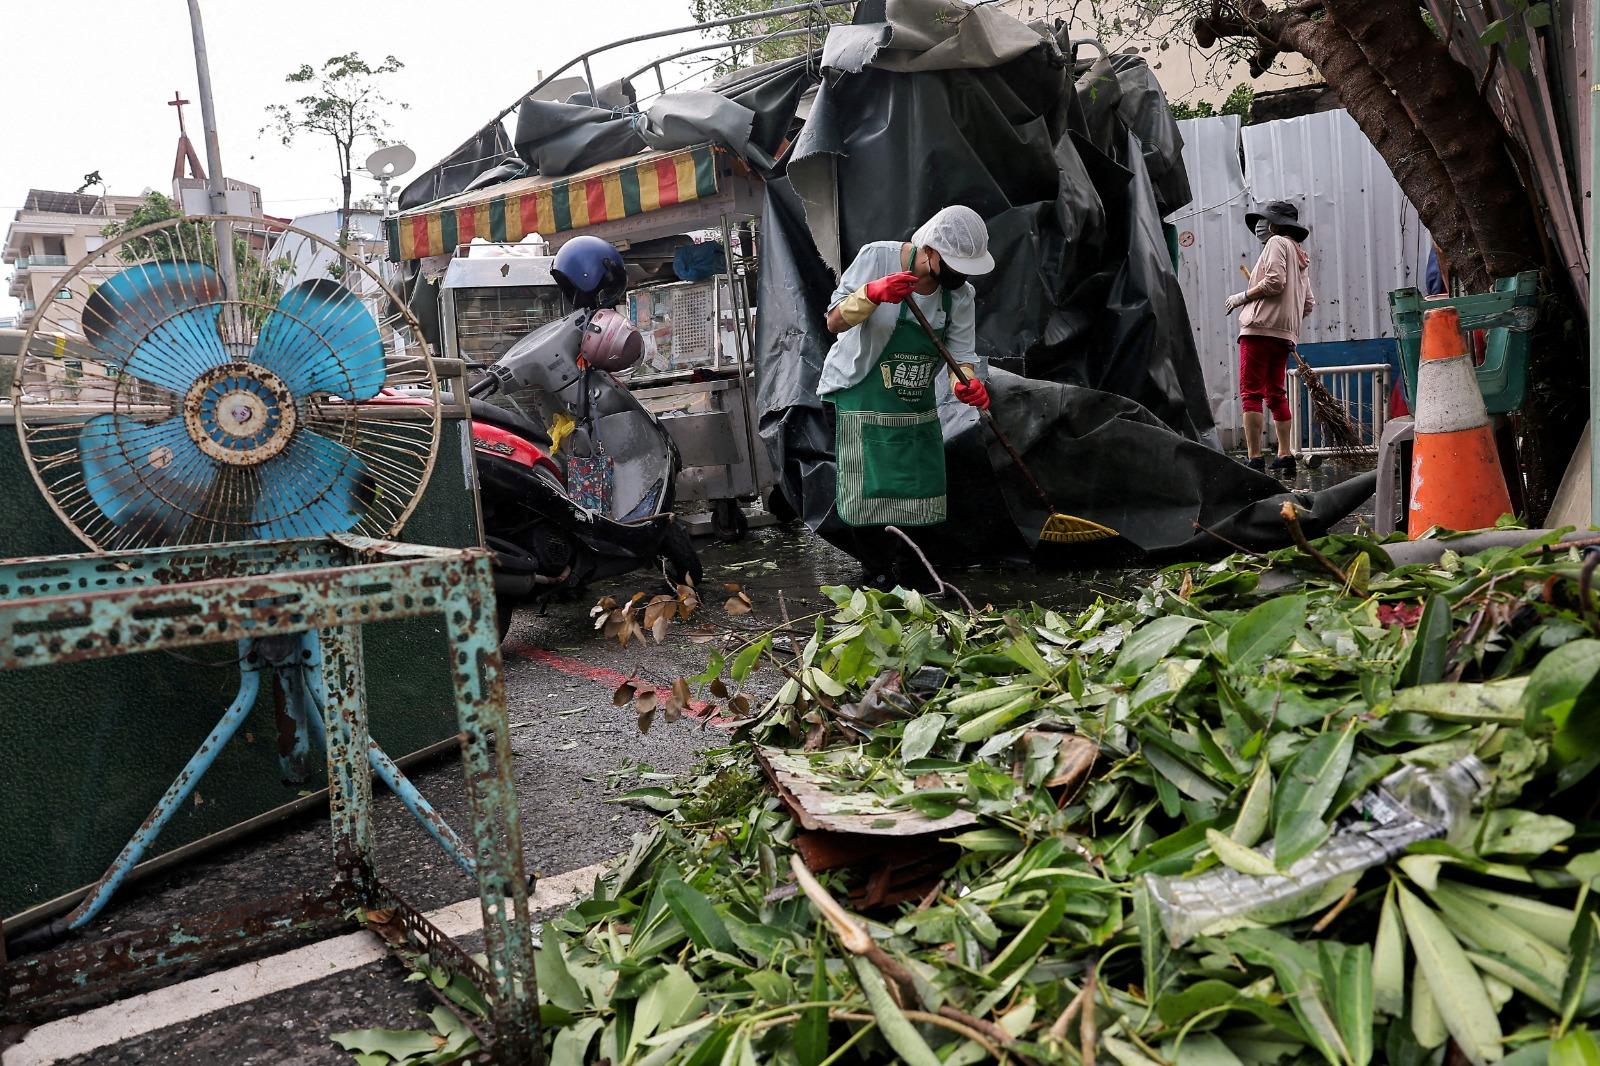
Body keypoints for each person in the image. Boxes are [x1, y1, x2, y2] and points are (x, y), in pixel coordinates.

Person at [820, 205, 995, 587]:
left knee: (920, 488)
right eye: (952, 264)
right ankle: (877, 574)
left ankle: (918, 575)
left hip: (913, 402)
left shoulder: (960, 296)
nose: (959, 275)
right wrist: (873, 294)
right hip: (858, 393)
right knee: (868, 491)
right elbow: (833, 320)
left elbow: (960, 357)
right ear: (929, 250)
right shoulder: (877, 257)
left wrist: (967, 382)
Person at [1226, 200, 1315, 477]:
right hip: (1283, 335)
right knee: (1276, 393)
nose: (1260, 226)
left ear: (1276, 224)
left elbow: (1274, 282)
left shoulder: (1276, 244)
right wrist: (1284, 316)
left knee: (1251, 393)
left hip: (1258, 330)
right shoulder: (1300, 255)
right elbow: (1308, 303)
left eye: (1265, 220)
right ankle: (1284, 455)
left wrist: (1242, 297)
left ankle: (1254, 458)